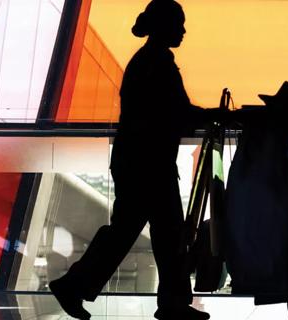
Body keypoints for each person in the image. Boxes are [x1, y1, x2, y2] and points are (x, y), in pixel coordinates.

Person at [49, 1, 210, 319]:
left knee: (146, 233)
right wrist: (216, 116)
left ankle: (78, 285)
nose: (183, 31)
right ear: (165, 26)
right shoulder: (157, 63)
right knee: (162, 234)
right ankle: (170, 304)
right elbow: (174, 112)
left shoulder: (149, 61)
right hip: (148, 164)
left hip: (139, 162)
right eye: (179, 24)